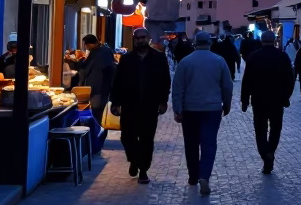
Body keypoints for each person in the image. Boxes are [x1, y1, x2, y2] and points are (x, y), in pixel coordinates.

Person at [171, 31, 234, 195]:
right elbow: (227, 86)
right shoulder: (219, 61)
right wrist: (226, 104)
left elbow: (177, 87)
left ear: (194, 44)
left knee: (191, 143)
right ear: (210, 43)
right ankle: (204, 175)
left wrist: (177, 108)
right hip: (212, 109)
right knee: (209, 143)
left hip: (190, 109)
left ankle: (193, 175)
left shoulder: (185, 62)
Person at [109, 28, 171, 184]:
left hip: (150, 106)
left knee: (146, 139)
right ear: (134, 40)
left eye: (143, 37)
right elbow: (118, 82)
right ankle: (135, 160)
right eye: (137, 38)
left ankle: (143, 170)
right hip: (130, 105)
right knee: (127, 137)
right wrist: (115, 102)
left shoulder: (158, 58)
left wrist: (163, 101)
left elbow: (165, 81)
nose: (140, 40)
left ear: (148, 38)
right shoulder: (126, 60)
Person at [241, 30, 295, 174]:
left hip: (258, 100)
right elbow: (290, 78)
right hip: (277, 100)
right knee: (276, 128)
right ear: (274, 41)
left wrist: (245, 100)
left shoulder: (254, 57)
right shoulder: (282, 56)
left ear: (262, 40)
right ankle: (270, 151)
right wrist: (286, 96)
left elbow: (246, 80)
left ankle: (265, 154)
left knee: (260, 129)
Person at [69, 34, 117, 122]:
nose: (86, 48)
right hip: (96, 87)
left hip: (100, 87)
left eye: (86, 45)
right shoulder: (98, 51)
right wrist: (74, 62)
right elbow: (86, 64)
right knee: (96, 110)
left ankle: (99, 130)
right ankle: (98, 129)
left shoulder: (102, 52)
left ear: (91, 44)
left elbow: (104, 68)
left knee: (97, 110)